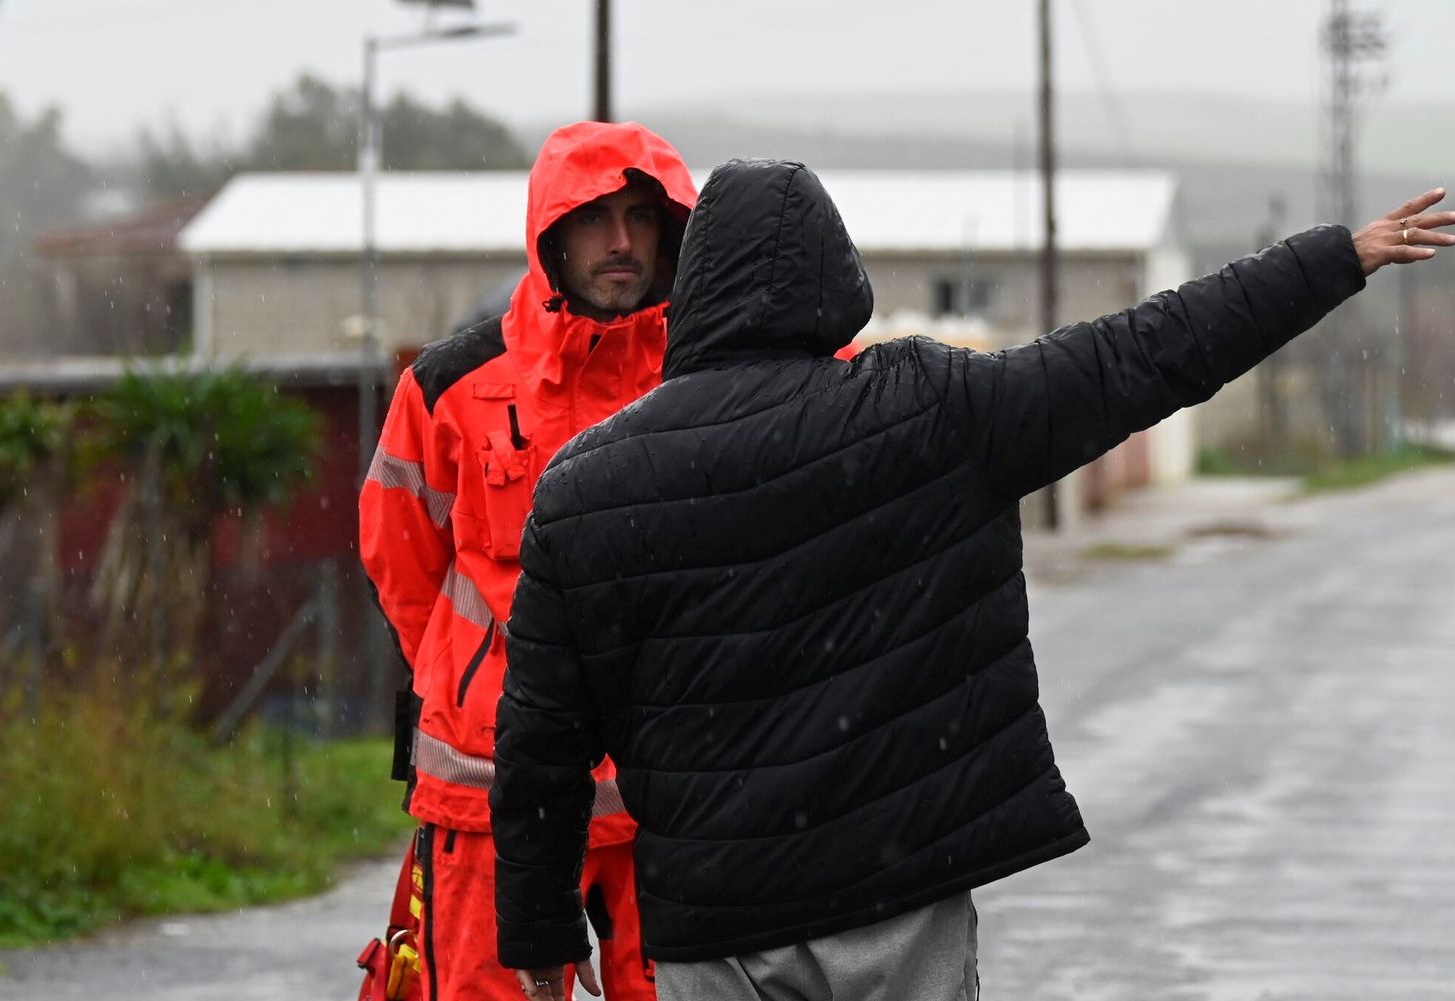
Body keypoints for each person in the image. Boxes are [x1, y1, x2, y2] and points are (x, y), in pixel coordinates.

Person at [490, 157, 1455, 1000]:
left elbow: (540, 736)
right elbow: (1150, 351)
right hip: (896, 890)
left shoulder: (588, 487)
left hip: (713, 915)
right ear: (837, 276)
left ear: (694, 284)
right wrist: (1337, 259)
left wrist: (538, 930)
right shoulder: (934, 409)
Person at [358, 121, 697, 1001]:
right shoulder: (450, 388)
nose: (621, 242)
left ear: (672, 231)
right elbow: (401, 562)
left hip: (668, 797)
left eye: (640, 217)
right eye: (594, 219)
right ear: (550, 233)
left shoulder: (713, 374)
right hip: (490, 792)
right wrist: (474, 679)